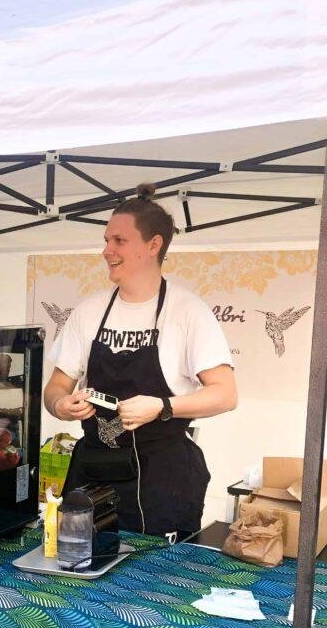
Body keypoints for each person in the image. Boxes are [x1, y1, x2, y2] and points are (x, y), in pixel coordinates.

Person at [43, 184, 237, 539]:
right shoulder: (88, 312)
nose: (106, 251)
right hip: (94, 472)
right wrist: (61, 404)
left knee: (154, 584)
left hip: (162, 480)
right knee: (77, 569)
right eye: (106, 241)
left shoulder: (187, 312)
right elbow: (55, 388)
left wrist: (161, 406)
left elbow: (225, 394)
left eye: (119, 241)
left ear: (153, 245)